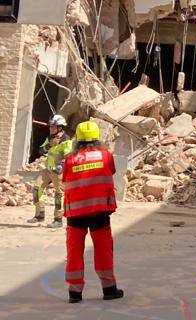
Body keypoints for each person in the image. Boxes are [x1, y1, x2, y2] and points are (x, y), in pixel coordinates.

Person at [61, 120, 123, 303]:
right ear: (97, 139)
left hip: (76, 214)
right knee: (103, 250)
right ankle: (109, 289)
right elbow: (110, 171)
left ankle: (74, 292)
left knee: (74, 252)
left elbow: (65, 178)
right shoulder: (106, 156)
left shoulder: (70, 160)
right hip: (99, 212)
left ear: (77, 140)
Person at [29, 114, 74, 227]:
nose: (50, 128)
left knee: (59, 195)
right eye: (50, 126)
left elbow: (69, 158)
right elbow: (40, 150)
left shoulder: (66, 141)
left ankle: (58, 220)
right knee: (36, 188)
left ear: (60, 128)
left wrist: (61, 167)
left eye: (53, 127)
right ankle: (40, 214)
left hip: (59, 172)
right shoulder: (50, 138)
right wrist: (49, 145)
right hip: (48, 169)